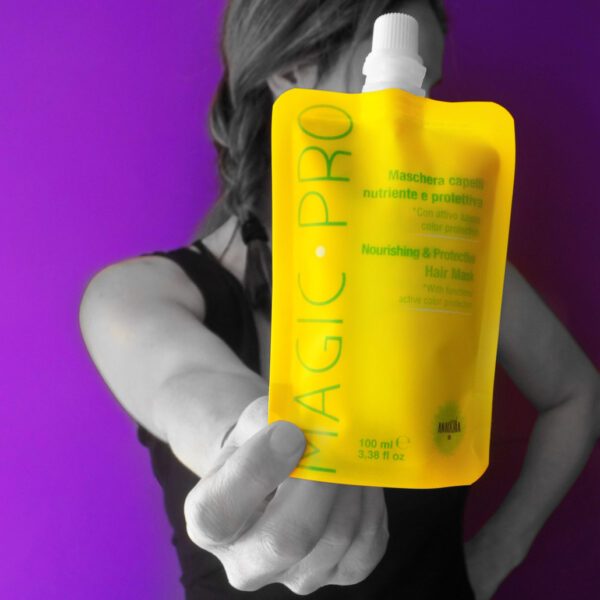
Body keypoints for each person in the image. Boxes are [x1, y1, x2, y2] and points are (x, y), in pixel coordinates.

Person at [78, 1, 600, 599]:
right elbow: (189, 387)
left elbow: (577, 394)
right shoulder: (135, 296)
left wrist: (496, 553)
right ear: (291, 71)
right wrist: (247, 445)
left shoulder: (450, 262)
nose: (415, 118)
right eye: (395, 87)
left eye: (427, 90)